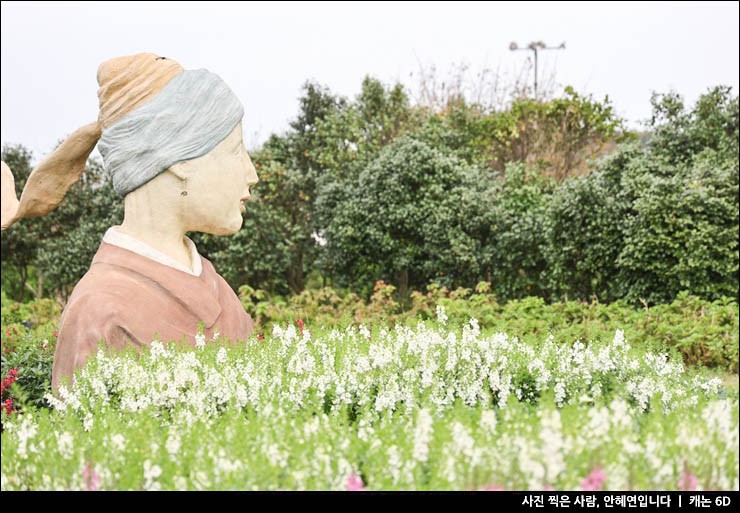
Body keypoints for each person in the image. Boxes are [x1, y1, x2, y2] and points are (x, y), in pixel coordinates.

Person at [1, 53, 259, 391]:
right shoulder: (99, 310)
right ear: (178, 158)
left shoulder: (221, 294)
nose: (251, 174)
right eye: (235, 150)